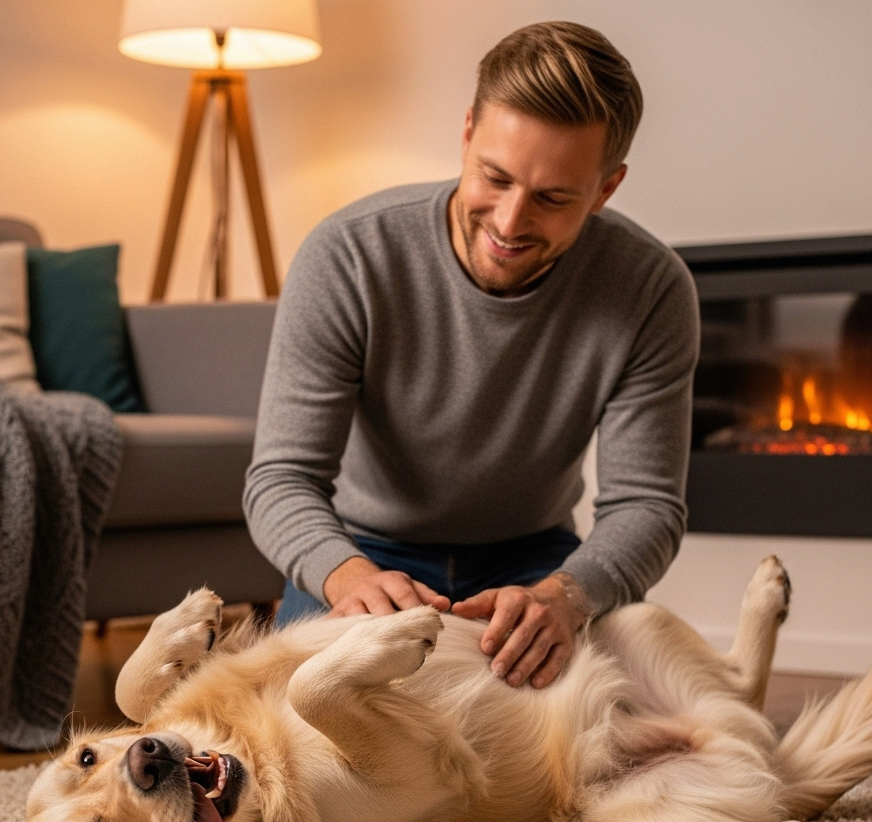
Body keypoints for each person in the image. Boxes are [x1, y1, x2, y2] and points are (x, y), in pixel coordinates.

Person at [243, 21, 699, 690]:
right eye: (495, 177)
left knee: (622, 737)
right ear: (466, 134)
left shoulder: (652, 290)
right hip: (364, 550)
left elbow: (647, 506)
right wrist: (347, 577)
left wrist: (569, 596)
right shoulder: (348, 255)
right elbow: (280, 478)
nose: (511, 223)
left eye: (552, 198)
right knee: (298, 746)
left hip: (538, 563)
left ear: (605, 190)